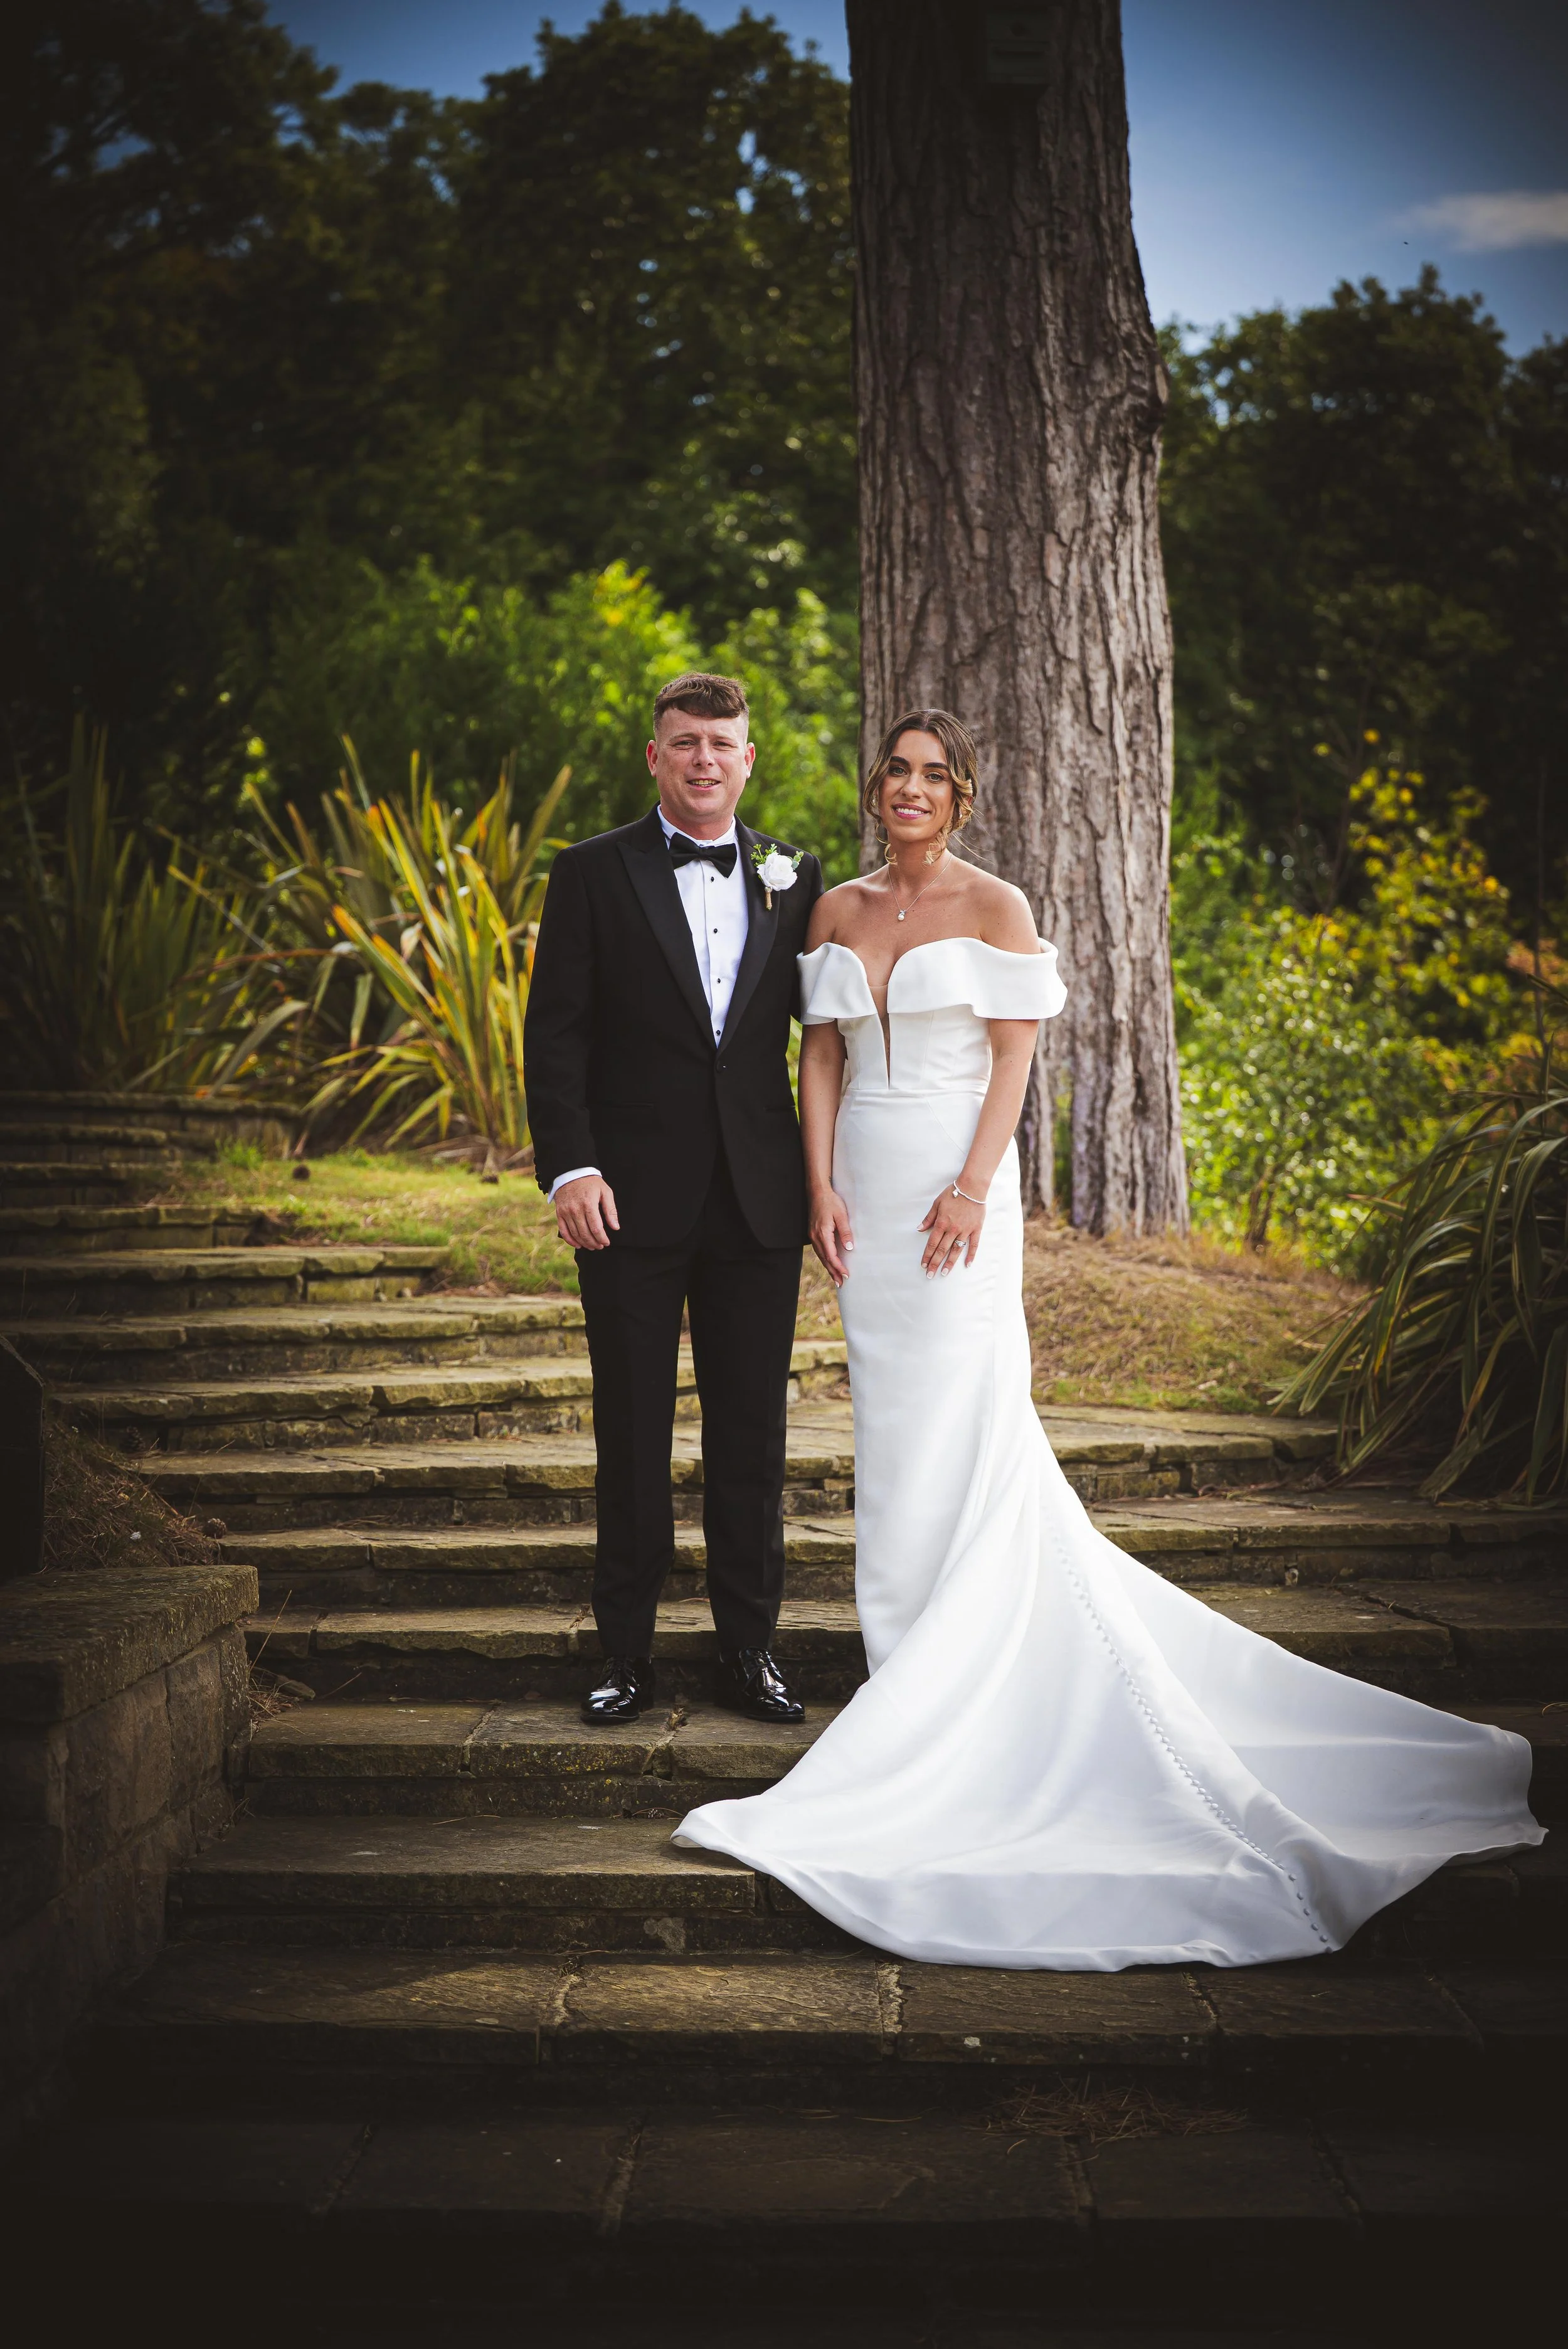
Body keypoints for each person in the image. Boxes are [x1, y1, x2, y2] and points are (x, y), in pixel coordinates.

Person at [673, 708, 1542, 1969]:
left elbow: (1013, 1064)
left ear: (961, 793)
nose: (909, 789)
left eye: (933, 775)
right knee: (891, 1427)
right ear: (875, 789)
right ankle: (903, 1657)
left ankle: (967, 1671)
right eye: (894, 772)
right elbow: (818, 1058)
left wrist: (975, 1188)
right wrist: (816, 1187)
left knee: (968, 1417)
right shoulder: (833, 912)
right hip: (861, 1181)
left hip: (955, 1189)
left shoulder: (996, 906)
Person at [524, 671, 823, 1727]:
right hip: (627, 1203)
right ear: (655, 756)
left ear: (749, 759)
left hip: (757, 1202)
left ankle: (750, 1652)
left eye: (722, 744)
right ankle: (626, 1655)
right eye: (685, 742)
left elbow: (821, 1041)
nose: (704, 759)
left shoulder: (797, 875)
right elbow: (554, 1033)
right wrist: (571, 1167)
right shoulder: (591, 872)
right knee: (632, 1432)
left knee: (752, 1438)